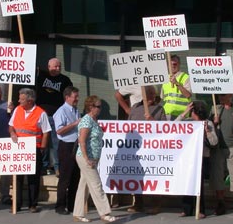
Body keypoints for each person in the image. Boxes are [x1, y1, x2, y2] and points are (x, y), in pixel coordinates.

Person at [73, 95, 117, 223]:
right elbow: (82, 140)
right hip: (86, 158)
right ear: (90, 107)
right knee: (96, 184)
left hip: (93, 157)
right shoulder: (86, 120)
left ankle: (78, 213)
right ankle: (105, 213)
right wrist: (87, 159)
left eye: (100, 106)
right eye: (98, 106)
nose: (100, 109)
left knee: (84, 185)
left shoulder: (94, 120)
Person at [9, 88, 50, 213]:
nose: (19, 101)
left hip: (34, 149)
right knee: (18, 177)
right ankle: (17, 204)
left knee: (33, 178)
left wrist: (42, 148)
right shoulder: (17, 110)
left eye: (21, 99)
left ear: (30, 100)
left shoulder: (40, 113)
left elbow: (46, 132)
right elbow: (11, 126)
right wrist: (12, 134)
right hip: (18, 148)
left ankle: (33, 204)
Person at [126, 85, 166, 214]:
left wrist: (152, 120)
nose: (151, 99)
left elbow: (166, 129)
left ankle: (156, 204)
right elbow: (128, 126)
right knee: (137, 175)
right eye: (149, 96)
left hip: (153, 149)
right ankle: (138, 203)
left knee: (154, 176)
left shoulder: (159, 109)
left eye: (152, 96)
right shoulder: (135, 109)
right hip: (137, 149)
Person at [176, 101, 218, 219]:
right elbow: (173, 126)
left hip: (201, 157)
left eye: (192, 111)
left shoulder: (208, 123)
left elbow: (214, 142)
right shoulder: (188, 122)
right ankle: (186, 209)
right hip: (188, 157)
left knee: (198, 185)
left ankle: (200, 209)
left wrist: (207, 131)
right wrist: (184, 113)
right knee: (187, 183)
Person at [35, 58, 73, 176]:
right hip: (42, 114)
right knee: (43, 143)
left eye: (59, 66)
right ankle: (43, 166)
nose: (57, 68)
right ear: (49, 66)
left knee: (57, 143)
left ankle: (58, 167)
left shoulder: (65, 80)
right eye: (55, 66)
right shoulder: (41, 77)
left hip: (57, 116)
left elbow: (70, 96)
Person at [53, 86, 81, 215]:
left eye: (77, 96)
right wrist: (74, 124)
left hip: (76, 145)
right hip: (66, 145)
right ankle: (60, 206)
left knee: (75, 176)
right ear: (67, 97)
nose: (77, 99)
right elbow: (59, 130)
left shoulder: (75, 110)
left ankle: (72, 205)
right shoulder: (61, 111)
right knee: (65, 177)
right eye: (75, 97)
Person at [161, 54, 191, 120]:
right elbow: (162, 98)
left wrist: (177, 83)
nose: (173, 66)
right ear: (168, 65)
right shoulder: (165, 79)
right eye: (170, 64)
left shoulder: (185, 77)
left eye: (175, 64)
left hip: (182, 114)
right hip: (167, 115)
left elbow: (188, 95)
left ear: (179, 64)